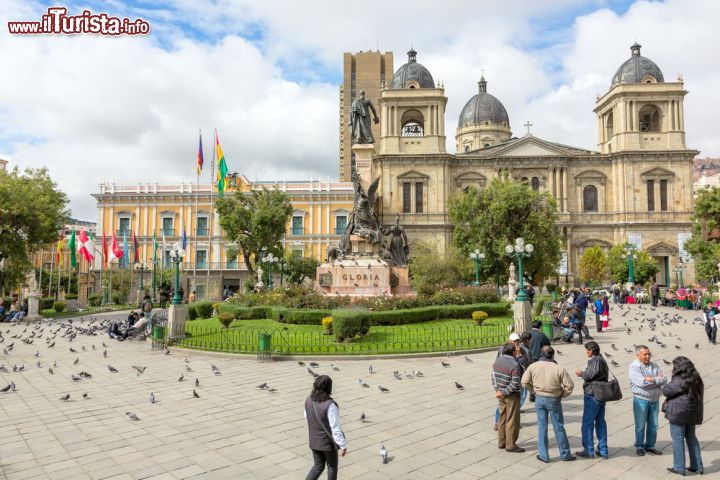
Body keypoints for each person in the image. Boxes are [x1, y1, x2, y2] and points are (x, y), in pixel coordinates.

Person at [521, 345, 575, 463]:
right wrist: (562, 395)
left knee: (542, 427)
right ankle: (565, 454)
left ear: (541, 354)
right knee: (559, 426)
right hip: (554, 398)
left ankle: (544, 455)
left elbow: (524, 382)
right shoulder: (558, 368)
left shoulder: (533, 366)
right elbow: (569, 386)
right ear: (553, 355)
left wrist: (533, 391)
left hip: (539, 398)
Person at [662, 356, 704, 476]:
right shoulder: (697, 378)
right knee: (692, 438)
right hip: (693, 414)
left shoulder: (679, 379)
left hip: (678, 413)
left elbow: (666, 391)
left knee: (678, 440)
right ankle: (698, 466)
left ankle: (679, 467)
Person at [304, 375, 346, 480]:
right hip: (327, 444)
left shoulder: (308, 400)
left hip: (314, 441)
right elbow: (335, 428)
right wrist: (343, 445)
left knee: (318, 466)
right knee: (332, 467)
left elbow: (307, 417)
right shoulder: (330, 405)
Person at [629, 345, 667, 456]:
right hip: (641, 400)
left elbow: (664, 379)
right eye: (644, 354)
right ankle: (639, 446)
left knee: (654, 424)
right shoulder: (634, 367)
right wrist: (656, 383)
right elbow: (642, 383)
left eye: (648, 353)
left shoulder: (655, 365)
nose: (647, 356)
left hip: (655, 400)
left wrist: (653, 379)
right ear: (638, 355)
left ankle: (650, 445)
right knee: (640, 425)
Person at [575, 341, 610, 459]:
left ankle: (588, 450)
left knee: (587, 423)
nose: (586, 352)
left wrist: (581, 373)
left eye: (587, 350)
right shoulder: (601, 360)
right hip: (601, 394)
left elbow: (590, 375)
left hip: (593, 394)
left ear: (591, 350)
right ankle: (603, 450)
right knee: (600, 422)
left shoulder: (595, 360)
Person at [493, 333, 530, 431]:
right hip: (505, 380)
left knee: (519, 400)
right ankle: (498, 422)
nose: (517, 343)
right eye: (514, 341)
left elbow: (526, 363)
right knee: (502, 402)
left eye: (518, 341)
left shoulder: (523, 350)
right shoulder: (503, 350)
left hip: (519, 379)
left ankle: (513, 422)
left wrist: (519, 355)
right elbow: (498, 364)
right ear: (509, 341)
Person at [491, 343, 524, 452]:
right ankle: (510, 445)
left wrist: (498, 391)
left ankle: (501, 442)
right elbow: (515, 382)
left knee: (502, 418)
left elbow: (493, 377)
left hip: (500, 393)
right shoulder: (514, 364)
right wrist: (504, 392)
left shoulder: (497, 361)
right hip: (511, 395)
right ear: (513, 352)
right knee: (512, 420)